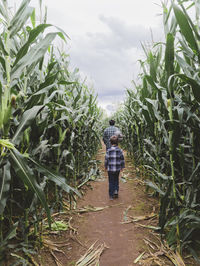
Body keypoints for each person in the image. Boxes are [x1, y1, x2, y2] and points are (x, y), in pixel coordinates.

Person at [104, 135, 125, 200]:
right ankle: (116, 191)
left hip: (110, 169)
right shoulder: (120, 150)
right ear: (117, 142)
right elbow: (122, 159)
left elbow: (106, 159)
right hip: (117, 169)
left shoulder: (108, 150)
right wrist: (122, 167)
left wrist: (105, 166)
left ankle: (111, 195)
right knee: (116, 180)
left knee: (111, 181)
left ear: (110, 142)